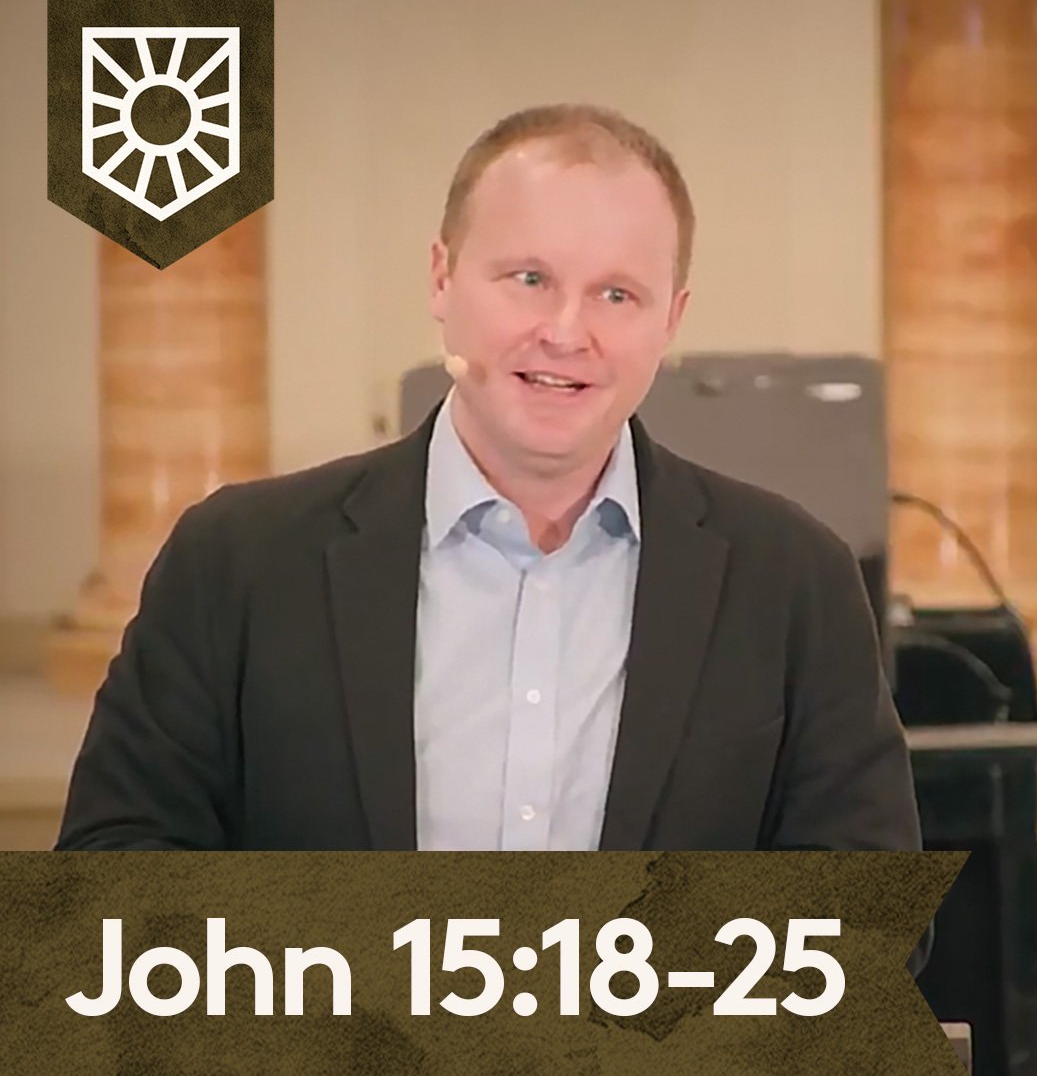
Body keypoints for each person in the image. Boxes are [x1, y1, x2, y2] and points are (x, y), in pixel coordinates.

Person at [56, 104, 925, 921]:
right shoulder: (237, 560)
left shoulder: (794, 578)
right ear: (442, 278)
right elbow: (116, 870)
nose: (566, 332)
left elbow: (864, 908)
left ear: (672, 319)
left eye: (617, 295)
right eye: (529, 279)